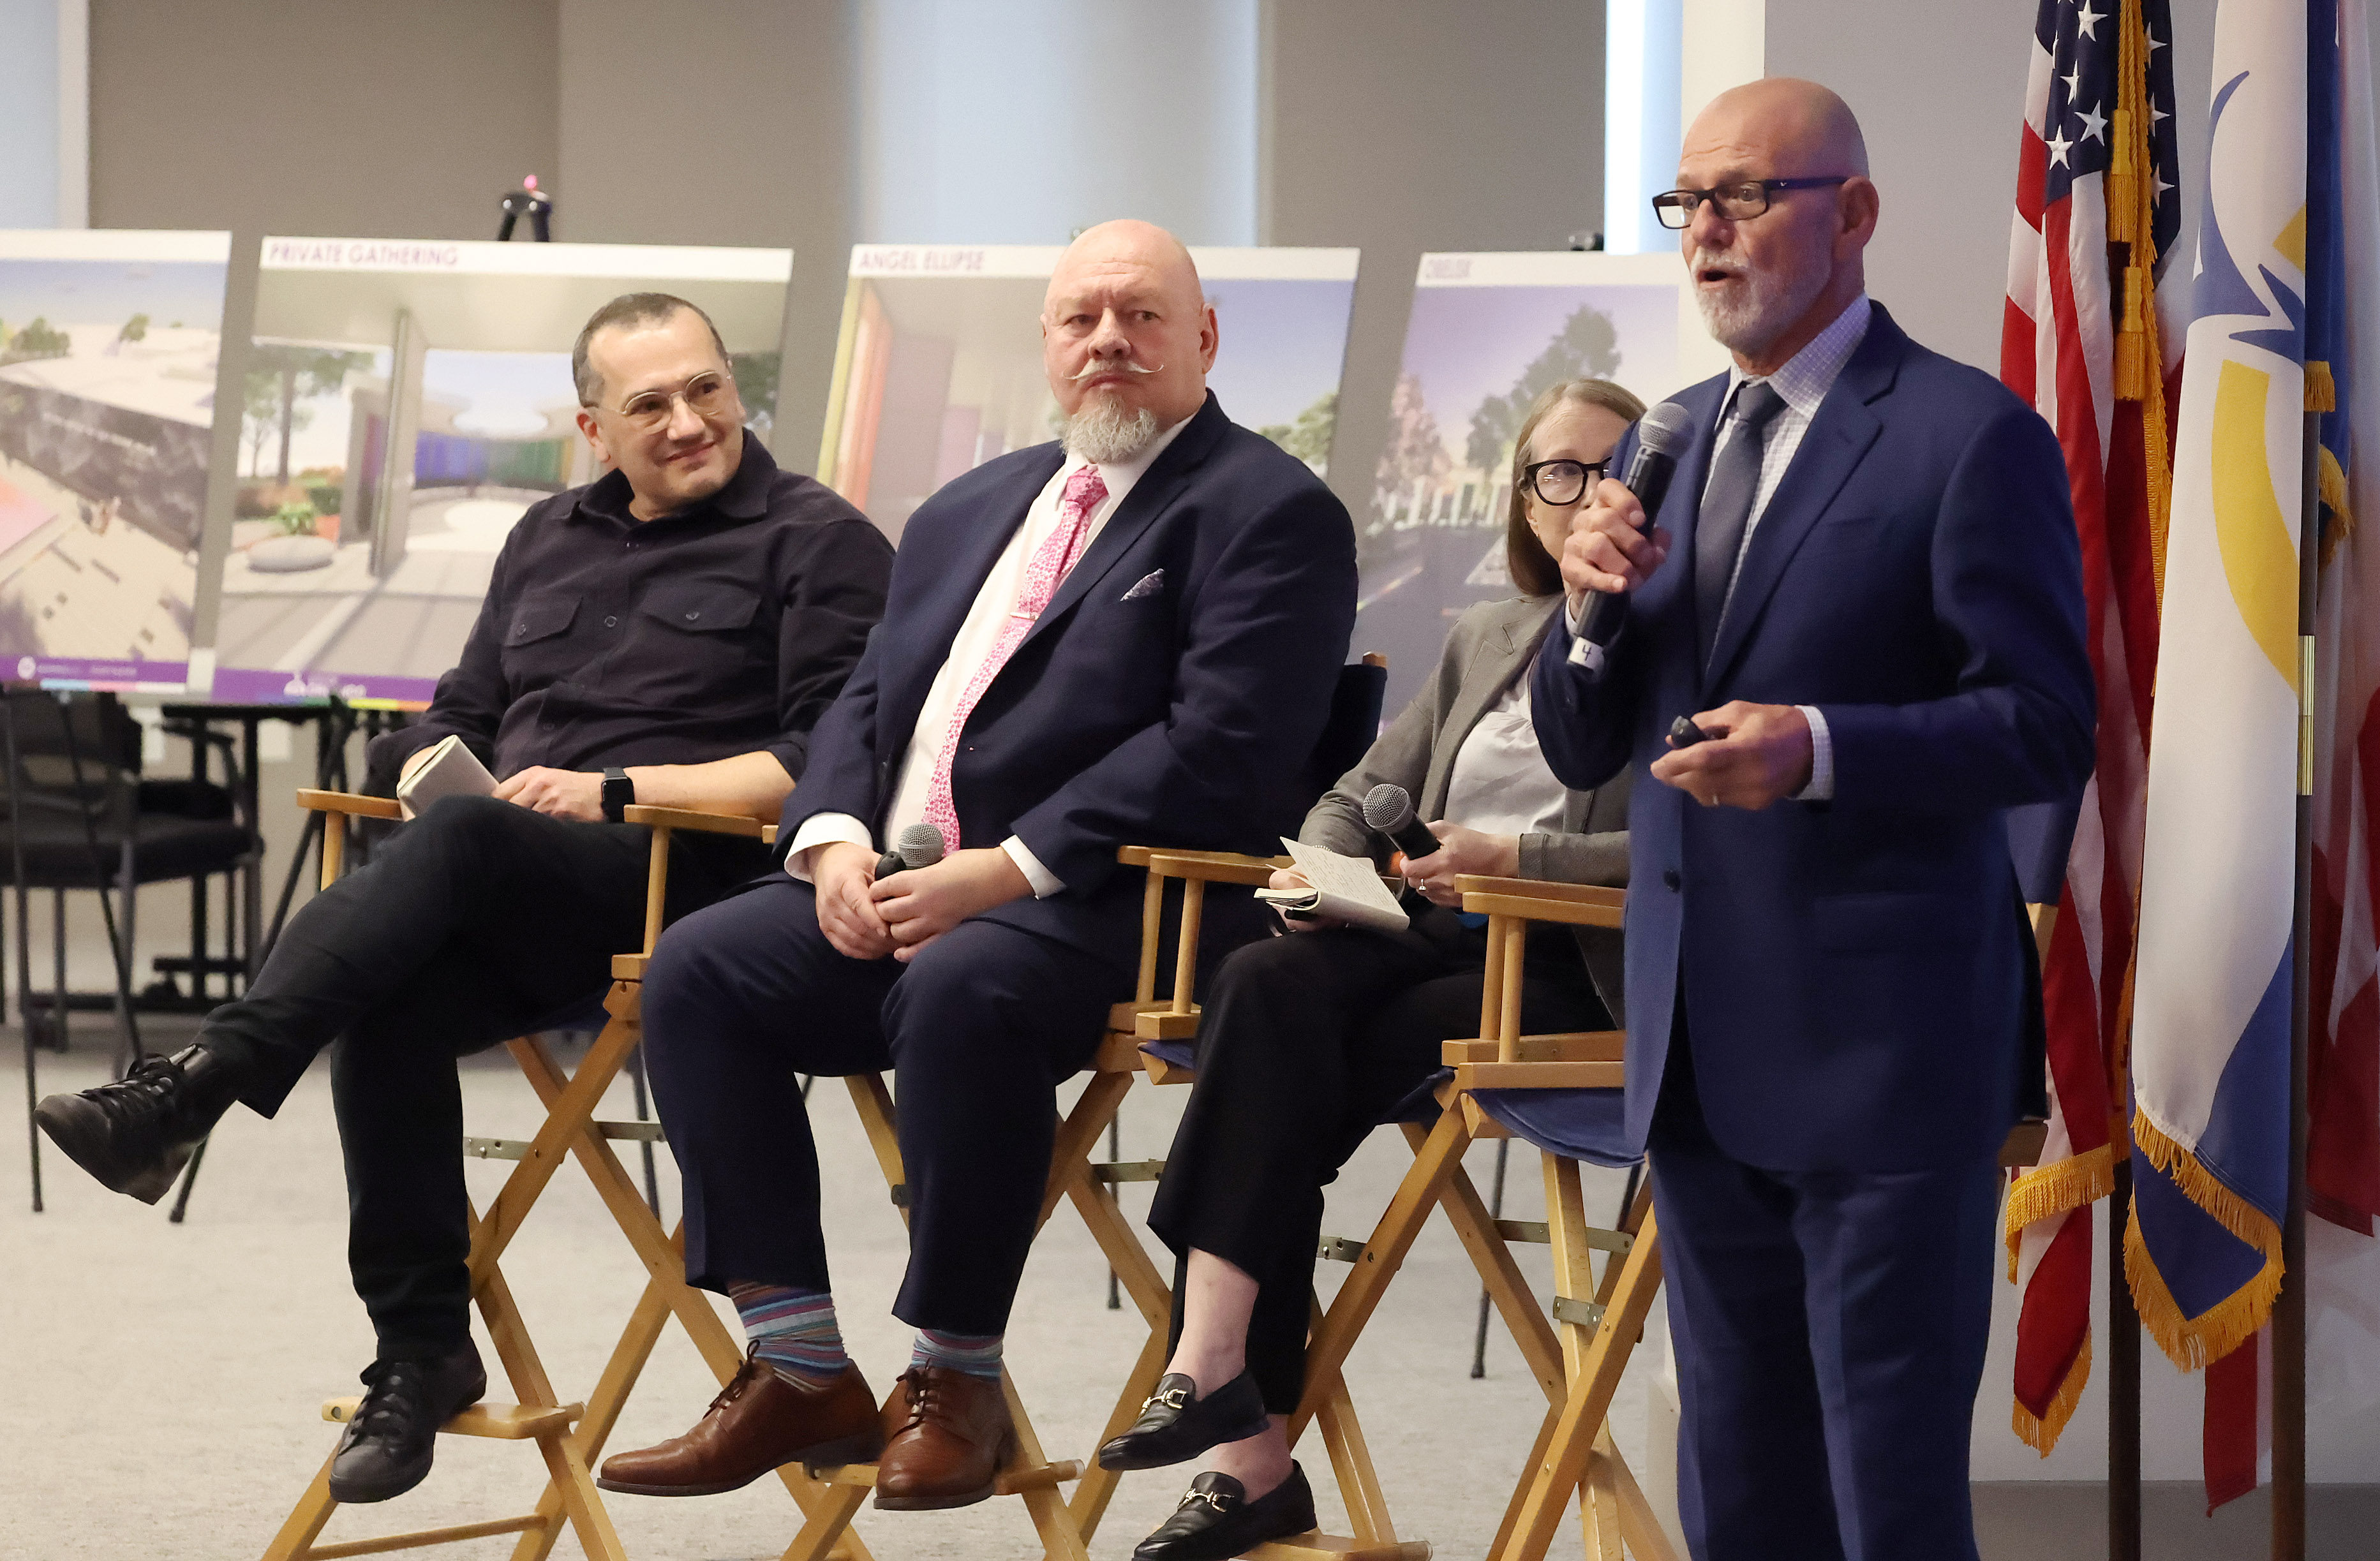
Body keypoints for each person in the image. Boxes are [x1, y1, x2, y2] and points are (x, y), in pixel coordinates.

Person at [34, 292, 893, 1506]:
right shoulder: (547, 534)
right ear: (595, 427)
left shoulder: (821, 537)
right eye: (650, 402)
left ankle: (191, 1090)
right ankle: (420, 1348)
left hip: (680, 880)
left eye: (706, 388)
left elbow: (829, 756)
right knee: (388, 995)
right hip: (516, 868)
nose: (690, 420)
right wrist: (428, 765)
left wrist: (616, 789)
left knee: (467, 849)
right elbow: (459, 707)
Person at [595, 219, 1358, 1516]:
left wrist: (1004, 869)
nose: (1108, 341)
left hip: (1110, 905)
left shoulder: (1269, 510)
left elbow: (1225, 748)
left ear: (1204, 339)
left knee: (962, 992)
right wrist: (831, 836)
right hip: (898, 885)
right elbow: (865, 699)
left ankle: (956, 1380)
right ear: (1048, 345)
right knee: (699, 968)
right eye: (1079, 319)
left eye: (1141, 317)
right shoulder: (965, 510)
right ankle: (795, 1366)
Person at [1531, 80, 2094, 1560]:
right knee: (1739, 1482)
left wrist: (1822, 748)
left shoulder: (1967, 437)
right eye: (1685, 205)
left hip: (1885, 1057)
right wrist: (1585, 614)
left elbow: (2044, 725)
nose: (1704, 237)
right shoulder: (1665, 442)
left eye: (1742, 199)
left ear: (1848, 215)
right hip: (1698, 1055)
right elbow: (1583, 736)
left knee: (1885, 1497)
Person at [1098, 378, 1643, 1561]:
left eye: (1615, 470)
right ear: (1526, 502)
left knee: (1270, 1085)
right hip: (1423, 929)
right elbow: (1356, 794)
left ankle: (1237, 1438)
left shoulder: (1686, 647)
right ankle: (1217, 1378)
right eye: (1557, 473)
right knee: (1259, 977)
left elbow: (1690, 845)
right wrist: (1327, 867)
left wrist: (1520, 854)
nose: (1585, 495)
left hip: (1556, 964)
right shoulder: (1487, 635)